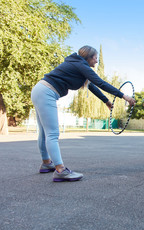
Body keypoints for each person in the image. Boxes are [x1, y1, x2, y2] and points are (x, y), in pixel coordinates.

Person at [31, 45, 136, 182]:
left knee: (44, 133)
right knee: (52, 133)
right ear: (89, 57)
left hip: (40, 90)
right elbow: (101, 83)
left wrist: (106, 101)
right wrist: (124, 96)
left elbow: (91, 86)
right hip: (47, 92)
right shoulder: (81, 65)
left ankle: (46, 163)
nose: (97, 61)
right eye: (95, 58)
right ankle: (60, 170)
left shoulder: (76, 64)